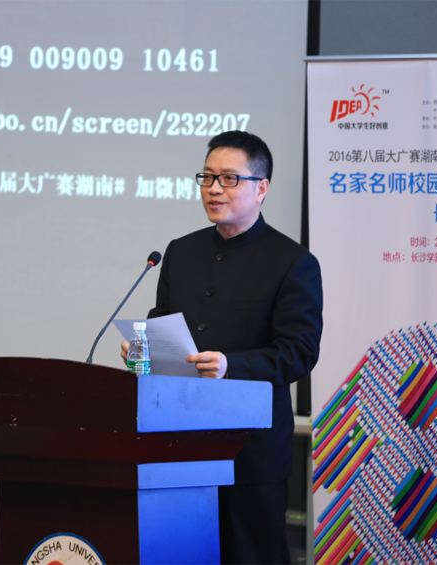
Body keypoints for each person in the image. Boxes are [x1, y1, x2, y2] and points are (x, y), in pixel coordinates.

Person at [121, 131, 323, 565]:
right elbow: (162, 327)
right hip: (177, 445)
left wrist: (232, 365)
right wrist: (141, 353)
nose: (214, 188)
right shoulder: (181, 252)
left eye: (229, 178)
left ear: (261, 188)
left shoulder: (292, 262)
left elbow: (299, 352)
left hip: (249, 453)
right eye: (208, 177)